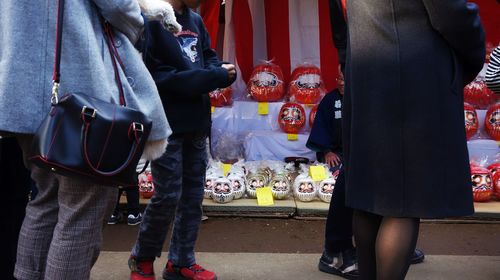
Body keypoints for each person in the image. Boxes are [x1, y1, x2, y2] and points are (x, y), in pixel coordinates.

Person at [0, 0, 176, 278]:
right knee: (81, 212)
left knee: (44, 201)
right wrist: (140, 24)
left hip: (23, 93)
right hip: (79, 91)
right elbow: (118, 6)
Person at [332, 0, 485, 279]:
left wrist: (348, 57)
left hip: (366, 64)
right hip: (410, 73)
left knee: (369, 196)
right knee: (403, 202)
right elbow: (450, 12)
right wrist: (475, 52)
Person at [128, 0, 237, 279]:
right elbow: (159, 77)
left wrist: (220, 70)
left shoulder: (196, 20)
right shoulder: (150, 21)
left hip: (198, 123)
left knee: (192, 197)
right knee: (167, 196)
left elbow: (208, 55)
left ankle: (181, 261)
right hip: (167, 125)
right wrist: (212, 76)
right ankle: (141, 258)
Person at [307, 70, 425, 279]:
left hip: (393, 90)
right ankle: (337, 250)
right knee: (355, 171)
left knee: (388, 167)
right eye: (340, 78)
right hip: (371, 80)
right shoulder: (335, 97)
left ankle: (391, 246)